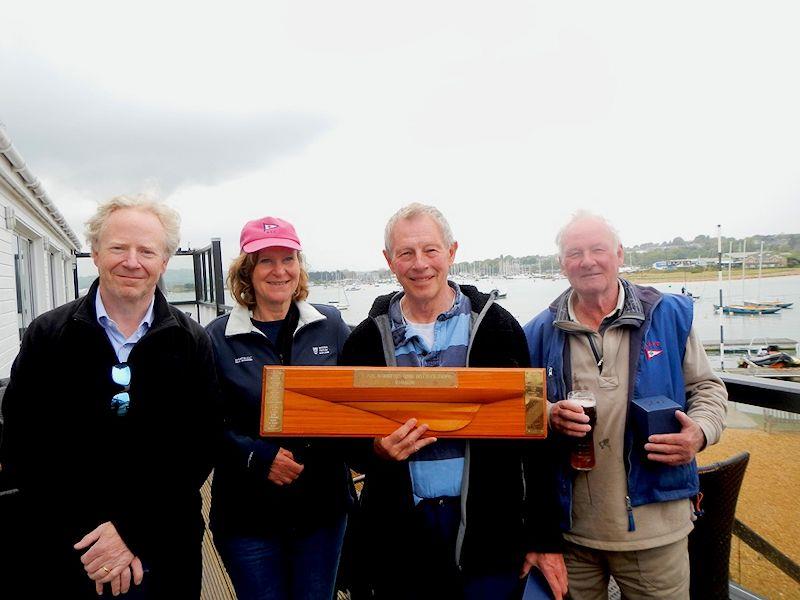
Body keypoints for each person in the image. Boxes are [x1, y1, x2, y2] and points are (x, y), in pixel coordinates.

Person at [340, 203, 567, 600]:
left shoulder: (499, 328)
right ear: (389, 261)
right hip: (400, 540)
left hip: (491, 533)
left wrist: (543, 536)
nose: (420, 264)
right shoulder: (364, 339)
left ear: (452, 251)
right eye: (406, 253)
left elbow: (534, 433)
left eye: (430, 250)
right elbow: (347, 441)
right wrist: (376, 450)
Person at [0, 195, 221, 598]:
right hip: (70, 547)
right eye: (119, 247)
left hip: (164, 545)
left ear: (164, 261)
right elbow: (24, 446)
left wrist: (131, 533)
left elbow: (197, 448)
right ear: (96, 253)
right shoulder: (48, 336)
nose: (132, 261)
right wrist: (96, 540)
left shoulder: (191, 341)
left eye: (147, 251)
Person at [523, 211, 727, 600]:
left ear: (619, 254)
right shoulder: (538, 331)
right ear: (561, 264)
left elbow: (707, 388)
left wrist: (699, 433)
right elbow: (523, 407)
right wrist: (548, 412)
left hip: (657, 530)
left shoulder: (667, 315)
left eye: (598, 249)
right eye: (575, 252)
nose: (587, 261)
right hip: (572, 534)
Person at [205, 216, 354, 600]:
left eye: (287, 259)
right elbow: (202, 422)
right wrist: (257, 456)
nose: (279, 270)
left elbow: (364, 389)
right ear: (247, 272)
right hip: (248, 515)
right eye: (265, 261)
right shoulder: (217, 339)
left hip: (321, 509)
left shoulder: (331, 324)